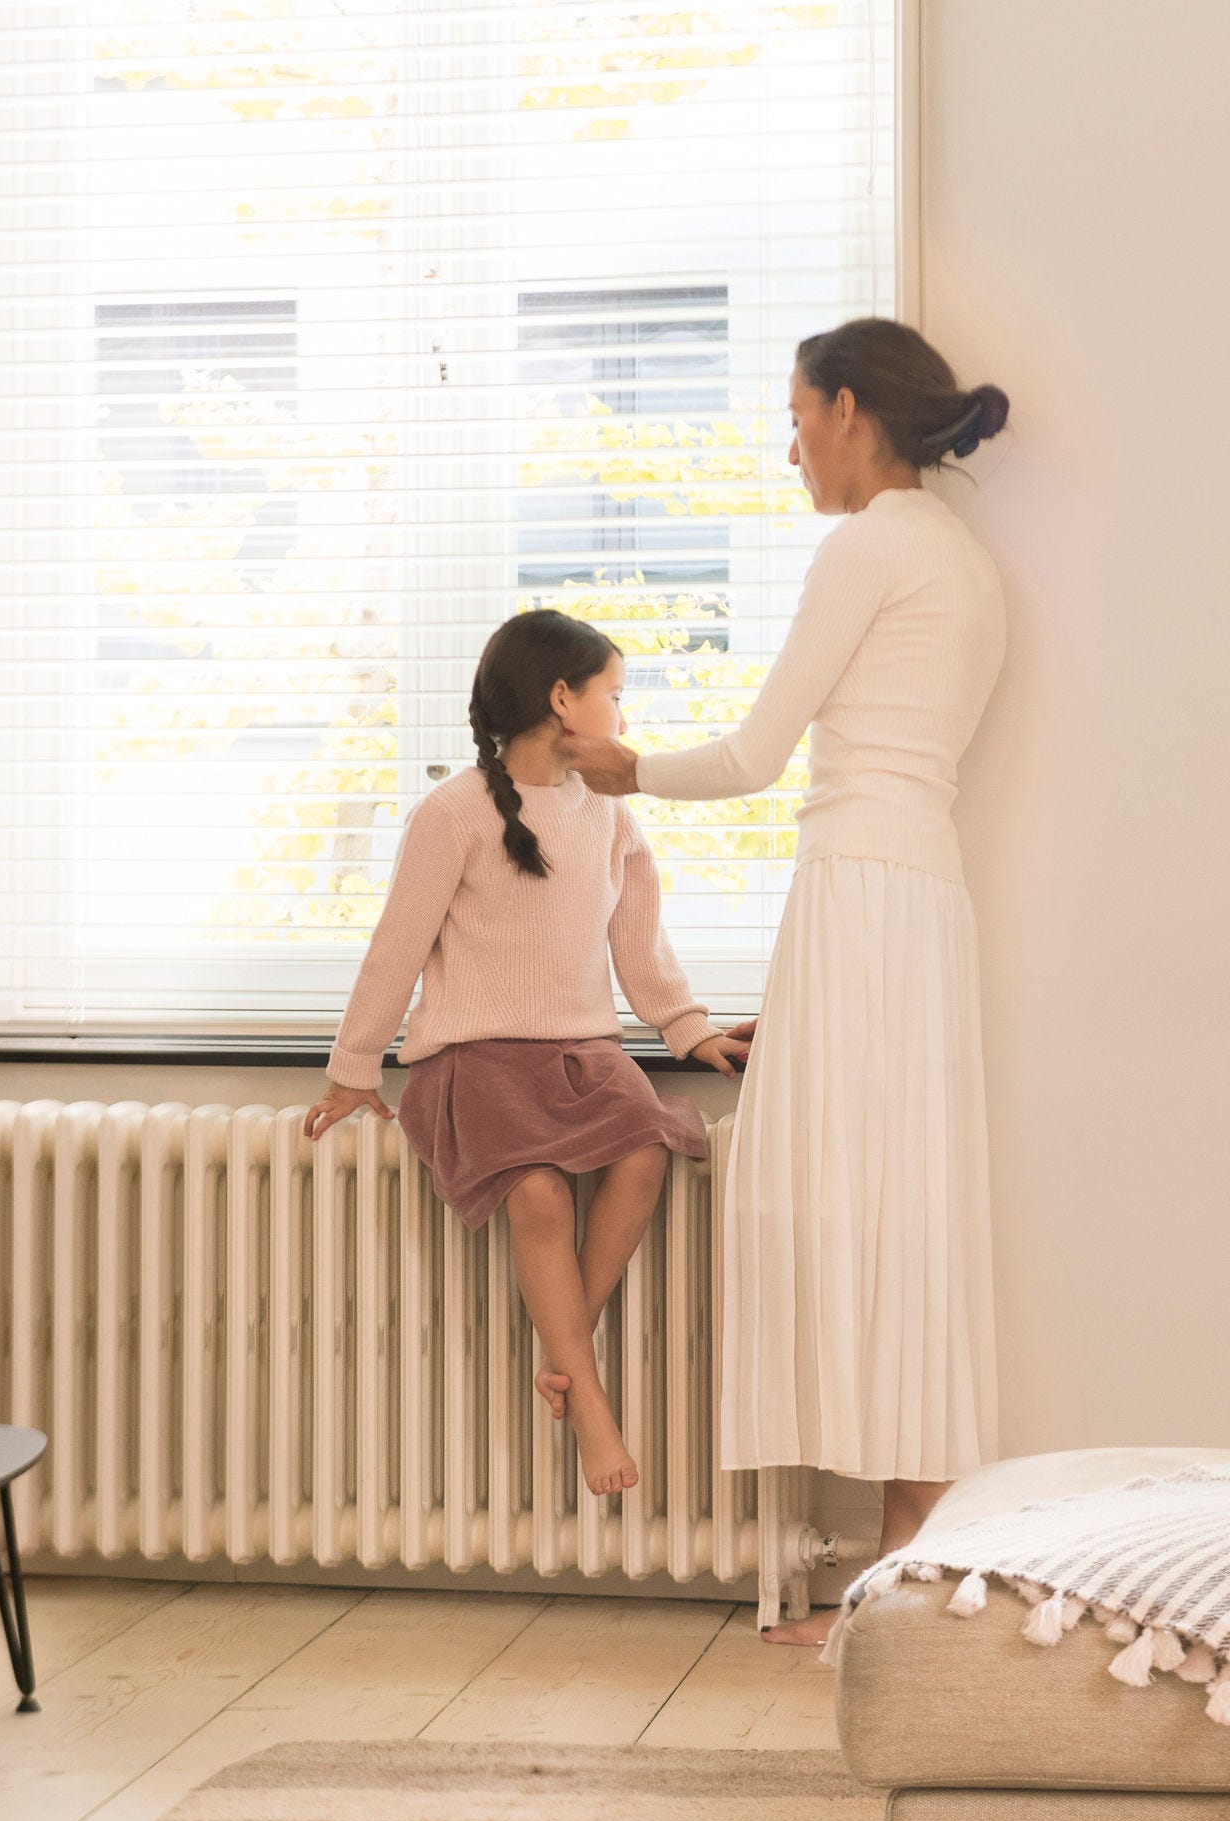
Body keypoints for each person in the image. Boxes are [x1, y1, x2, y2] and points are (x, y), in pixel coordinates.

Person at [559, 317, 1011, 1642]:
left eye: (798, 414)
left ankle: (896, 1577)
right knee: (906, 1209)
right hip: (919, 899)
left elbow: (759, 755)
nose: (791, 444)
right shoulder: (967, 564)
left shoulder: (867, 546)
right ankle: (905, 1570)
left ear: (851, 408)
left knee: (846, 1207)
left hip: (861, 894)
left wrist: (621, 767)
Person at [305, 608, 752, 1499]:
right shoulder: (453, 813)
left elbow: (641, 949)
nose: (623, 715)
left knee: (645, 1157)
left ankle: (562, 1352)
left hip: (583, 1057)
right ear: (563, 700)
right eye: (614, 695)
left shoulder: (612, 820)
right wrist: (354, 1069)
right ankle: (588, 1400)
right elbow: (396, 948)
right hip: (472, 1062)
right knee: (541, 1196)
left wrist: (689, 1030)